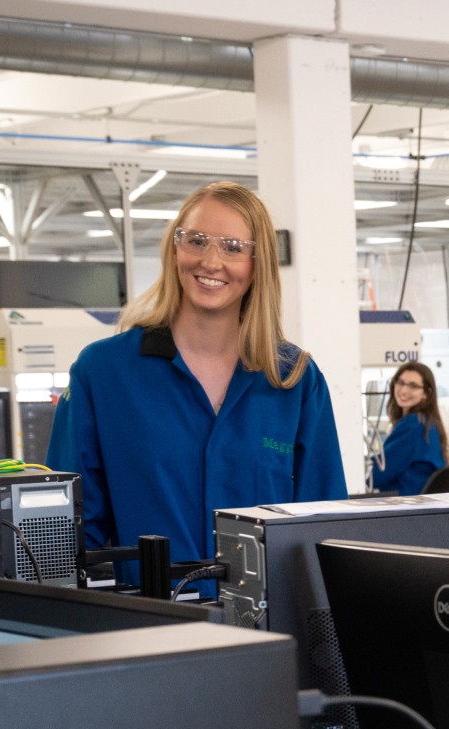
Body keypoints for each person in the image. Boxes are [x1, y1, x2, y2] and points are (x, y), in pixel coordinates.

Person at [47, 181, 346, 576]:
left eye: (233, 247)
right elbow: (64, 536)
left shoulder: (294, 382)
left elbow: (325, 532)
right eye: (198, 240)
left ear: (258, 265)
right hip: (149, 626)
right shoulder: (102, 373)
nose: (210, 261)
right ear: (174, 249)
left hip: (267, 631)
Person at [368, 360, 448, 495]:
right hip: (419, 505)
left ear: (426, 393)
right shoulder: (428, 422)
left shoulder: (413, 425)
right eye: (400, 382)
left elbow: (379, 474)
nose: (404, 390)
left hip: (404, 505)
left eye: (413, 386)